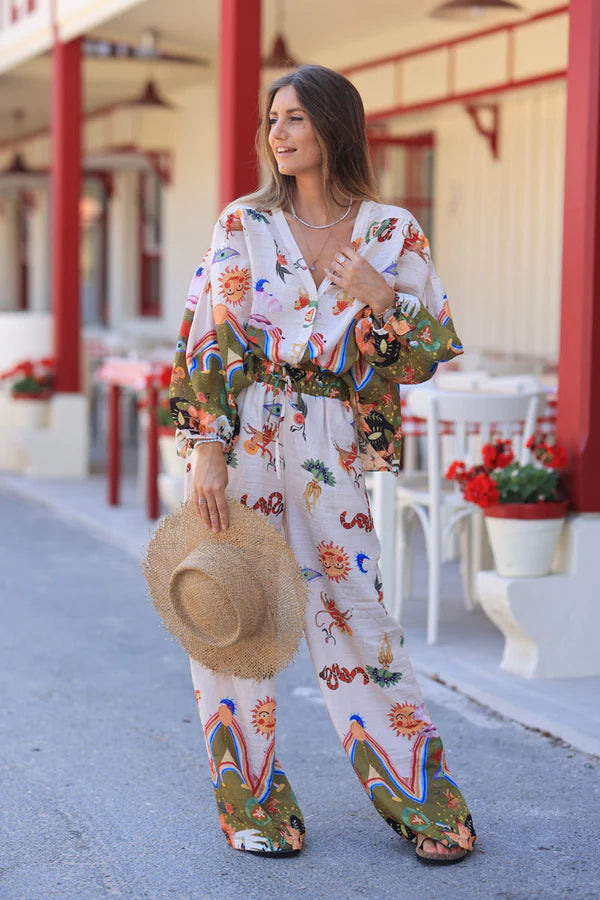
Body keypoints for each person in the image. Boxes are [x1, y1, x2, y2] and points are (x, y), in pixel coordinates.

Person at [169, 64, 476, 863]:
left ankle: (423, 801)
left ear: (336, 127)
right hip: (245, 442)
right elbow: (209, 337)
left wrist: (381, 296)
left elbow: (429, 352)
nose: (278, 133)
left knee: (356, 616)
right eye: (273, 119)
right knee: (237, 617)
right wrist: (208, 448)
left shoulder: (392, 231)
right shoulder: (242, 224)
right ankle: (254, 807)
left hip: (330, 440)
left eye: (296, 118)